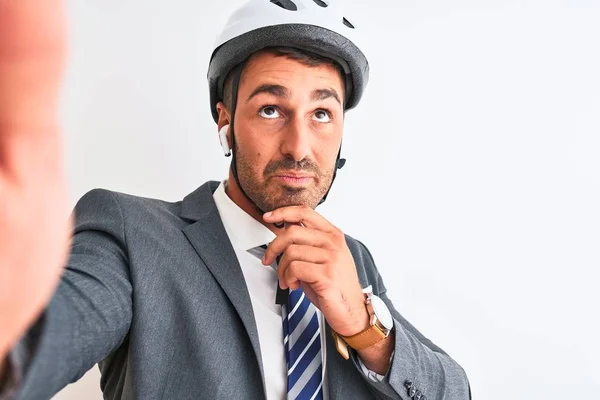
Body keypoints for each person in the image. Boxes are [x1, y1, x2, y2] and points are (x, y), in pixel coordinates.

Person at [0, 0, 471, 399]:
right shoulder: (130, 231)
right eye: (271, 109)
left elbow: (456, 390)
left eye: (322, 113)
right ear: (224, 121)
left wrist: (366, 328)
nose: (300, 146)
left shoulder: (353, 260)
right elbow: (34, 348)